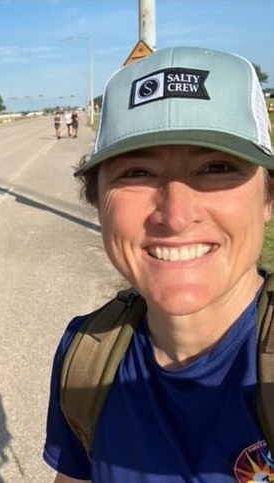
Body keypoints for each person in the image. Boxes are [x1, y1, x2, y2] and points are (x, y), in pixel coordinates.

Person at [43, 46, 274, 483]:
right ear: (98, 203)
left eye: (217, 167)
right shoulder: (87, 353)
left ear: (269, 197)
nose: (175, 214)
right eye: (136, 173)